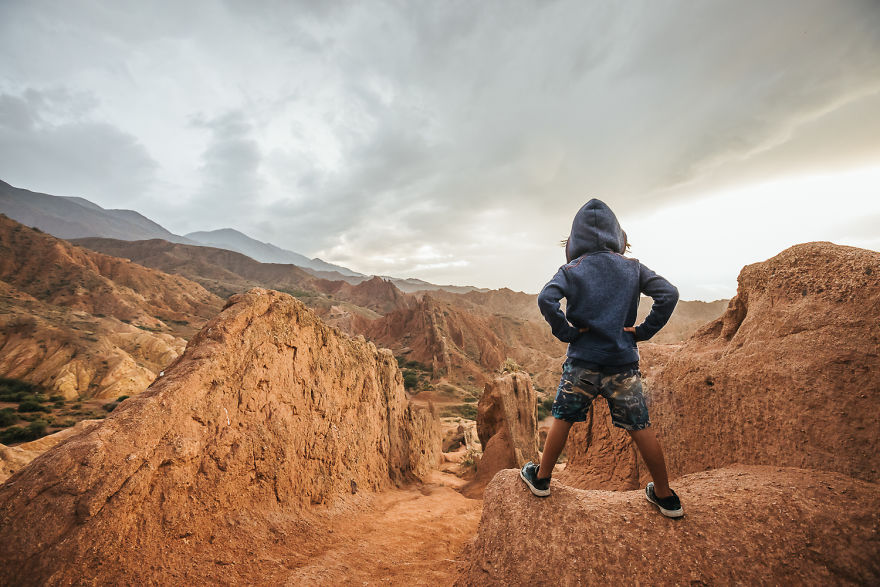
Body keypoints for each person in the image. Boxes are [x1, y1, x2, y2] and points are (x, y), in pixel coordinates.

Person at [520, 198, 683, 518]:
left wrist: (566, 333)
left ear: (575, 239)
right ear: (616, 235)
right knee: (640, 425)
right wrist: (642, 331)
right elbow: (669, 294)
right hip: (622, 363)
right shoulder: (633, 268)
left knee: (563, 418)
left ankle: (541, 479)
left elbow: (546, 299)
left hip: (582, 361)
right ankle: (665, 497)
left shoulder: (572, 270)